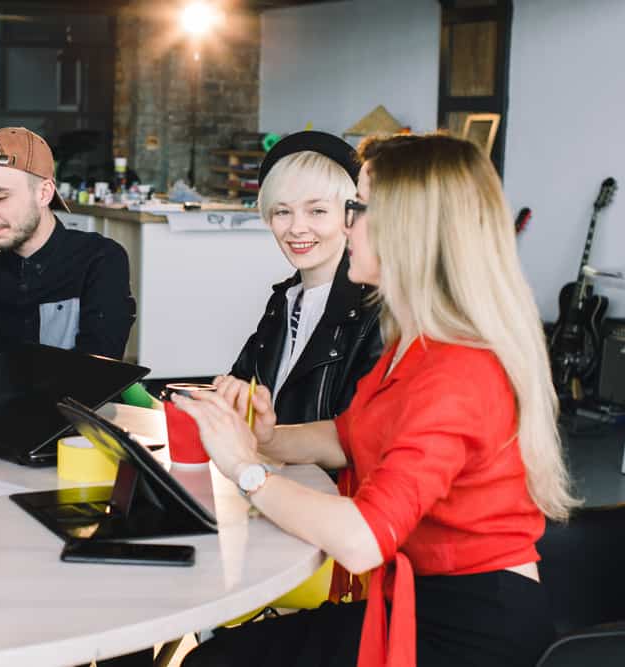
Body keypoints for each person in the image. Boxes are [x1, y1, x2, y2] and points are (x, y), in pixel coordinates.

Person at [176, 134, 577, 667]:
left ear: (405, 230)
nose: (347, 225)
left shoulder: (455, 371)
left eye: (357, 209)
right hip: (421, 599)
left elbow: (365, 538)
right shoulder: (412, 344)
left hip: (470, 629)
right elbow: (347, 435)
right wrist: (268, 437)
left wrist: (248, 468)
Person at [0, 127, 135, 383]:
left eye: (0, 197)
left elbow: (98, 376)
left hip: (74, 421)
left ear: (44, 193)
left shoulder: (100, 260)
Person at [229, 131, 381, 425]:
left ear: (351, 214)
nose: (297, 228)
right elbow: (242, 387)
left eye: (317, 211)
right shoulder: (283, 300)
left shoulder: (375, 313)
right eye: (283, 211)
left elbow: (355, 440)